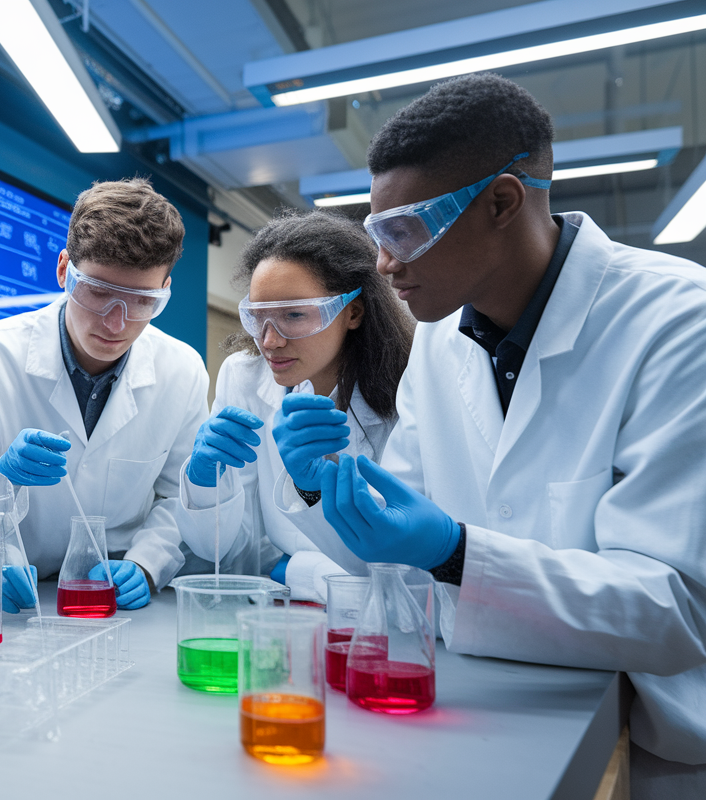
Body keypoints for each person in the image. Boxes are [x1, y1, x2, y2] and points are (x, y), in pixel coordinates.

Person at [278, 73, 706, 797]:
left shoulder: (677, 323)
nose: (383, 263)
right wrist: (330, 493)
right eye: (376, 234)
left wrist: (455, 552)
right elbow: (400, 571)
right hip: (481, 709)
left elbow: (674, 610)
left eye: (403, 229)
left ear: (502, 202)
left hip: (641, 736)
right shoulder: (441, 346)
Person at [0, 178, 208, 611]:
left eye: (142, 301)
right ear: (65, 269)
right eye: (99, 292)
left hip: (114, 600)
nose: (115, 323)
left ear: (166, 291)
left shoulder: (183, 371)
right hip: (16, 597)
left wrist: (145, 563)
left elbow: (178, 494)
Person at [174, 210, 412, 600]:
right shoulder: (244, 377)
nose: (270, 341)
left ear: (352, 312)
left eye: (294, 316)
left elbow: (392, 569)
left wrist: (294, 570)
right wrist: (204, 482)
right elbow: (226, 550)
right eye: (258, 318)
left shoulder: (404, 390)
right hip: (274, 616)